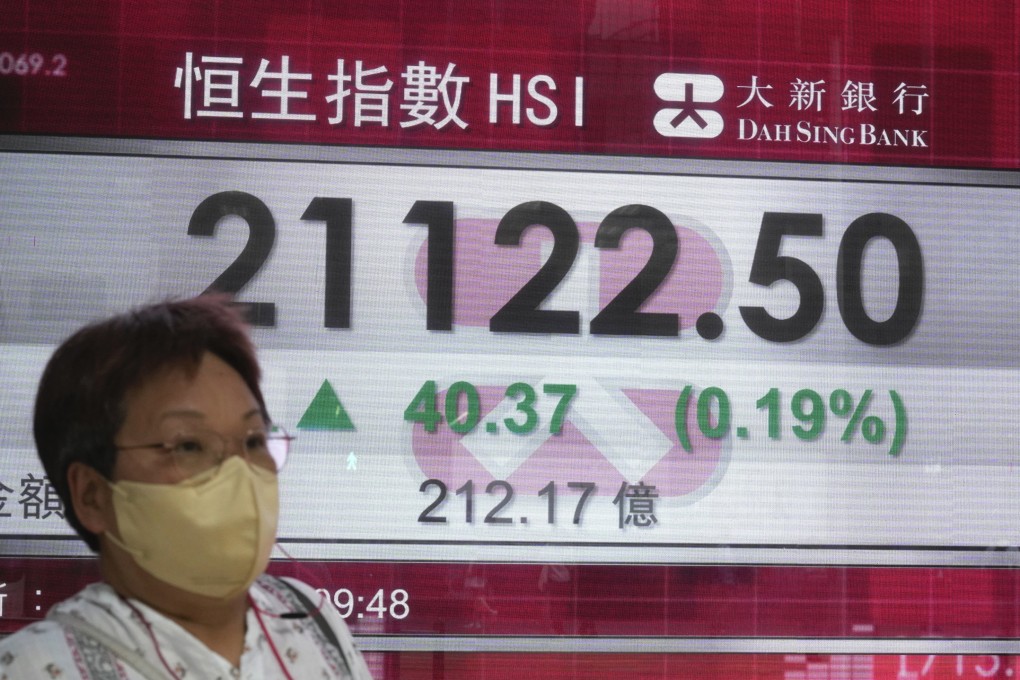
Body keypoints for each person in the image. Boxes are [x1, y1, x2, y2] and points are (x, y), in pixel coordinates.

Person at [0, 296, 373, 679]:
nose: (239, 474)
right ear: (92, 495)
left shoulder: (308, 617)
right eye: (189, 446)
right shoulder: (33, 667)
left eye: (254, 441)